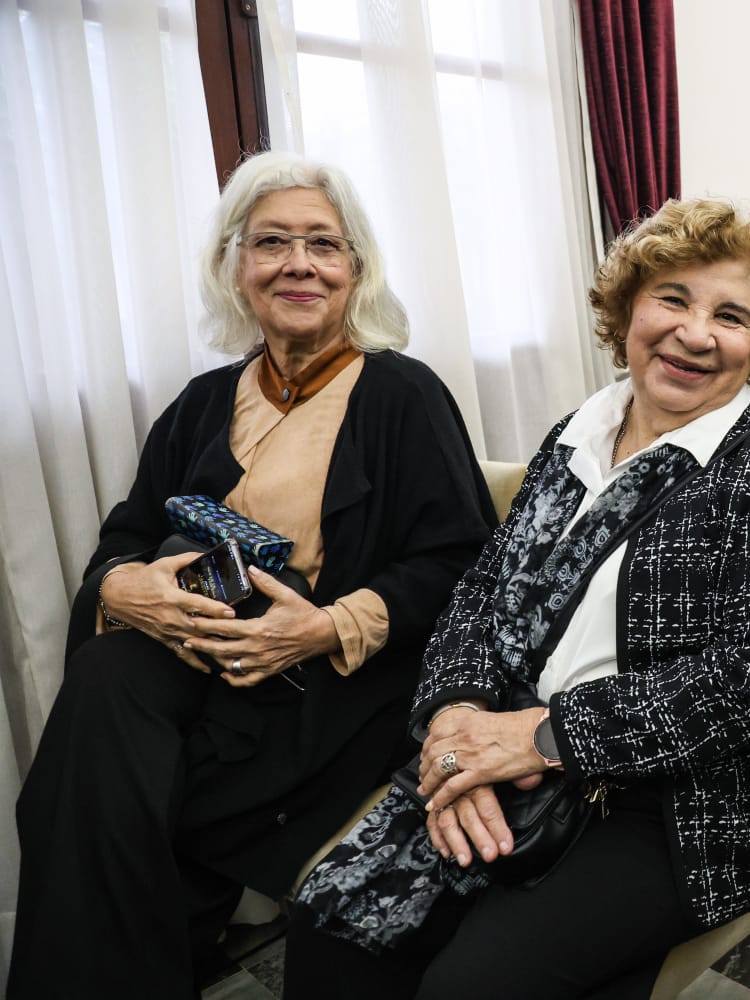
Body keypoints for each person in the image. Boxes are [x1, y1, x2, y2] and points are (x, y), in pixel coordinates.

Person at [284, 198, 750, 1000]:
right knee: (332, 926)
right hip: (506, 746)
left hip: (681, 804)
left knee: (469, 987)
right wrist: (456, 727)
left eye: (730, 315)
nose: (695, 332)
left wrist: (546, 738)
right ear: (627, 312)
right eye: (673, 299)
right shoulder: (574, 435)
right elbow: (480, 592)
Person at [7, 151, 496, 999]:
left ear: (356, 271)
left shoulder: (402, 394)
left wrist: (325, 625)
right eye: (271, 243)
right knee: (108, 676)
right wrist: (121, 587)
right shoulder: (201, 401)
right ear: (236, 267)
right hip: (197, 664)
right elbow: (124, 535)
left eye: (322, 244)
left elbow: (465, 565)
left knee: (106, 789)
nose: (297, 264)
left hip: (323, 683)